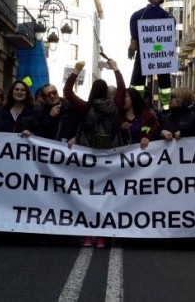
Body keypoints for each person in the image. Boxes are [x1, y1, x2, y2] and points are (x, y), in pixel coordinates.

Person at [64, 59, 125, 248]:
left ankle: (87, 235)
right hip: (110, 157)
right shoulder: (115, 106)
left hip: (87, 157)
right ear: (107, 92)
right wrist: (116, 69)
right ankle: (102, 236)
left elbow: (67, 92)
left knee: (86, 196)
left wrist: (76, 71)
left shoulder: (86, 107)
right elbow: (122, 89)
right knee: (105, 197)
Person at [128, 0, 173, 109]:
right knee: (137, 81)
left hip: (160, 53)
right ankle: (136, 105)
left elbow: (168, 36)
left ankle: (166, 108)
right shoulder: (138, 15)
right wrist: (133, 43)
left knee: (165, 82)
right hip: (144, 52)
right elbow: (133, 29)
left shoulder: (168, 16)